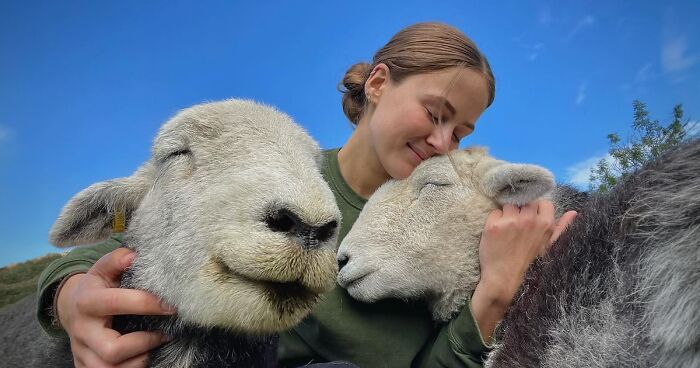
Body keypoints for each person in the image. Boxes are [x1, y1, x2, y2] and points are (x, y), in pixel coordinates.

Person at [37, 22, 577, 368]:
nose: (441, 141)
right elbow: (116, 247)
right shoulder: (280, 176)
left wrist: (495, 296)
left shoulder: (446, 219)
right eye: (435, 113)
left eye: (460, 132)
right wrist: (70, 296)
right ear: (379, 83)